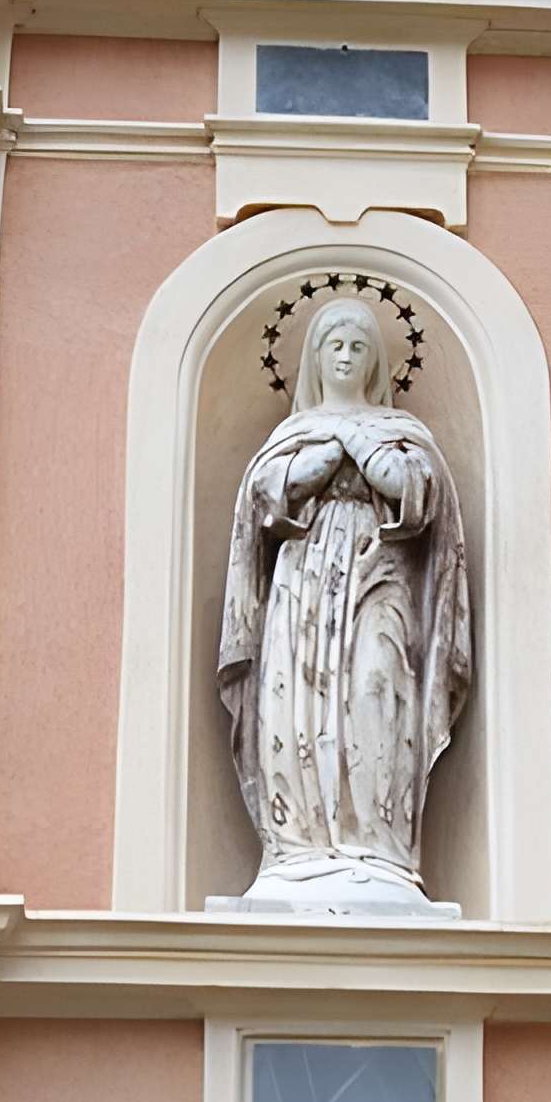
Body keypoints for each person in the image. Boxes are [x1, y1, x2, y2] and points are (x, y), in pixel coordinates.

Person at [219, 296, 472, 909]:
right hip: (300, 588)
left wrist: (362, 446)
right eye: (334, 345)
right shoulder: (292, 435)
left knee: (373, 692)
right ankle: (299, 845)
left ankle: (377, 844)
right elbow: (266, 499)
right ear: (314, 357)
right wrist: (331, 449)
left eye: (358, 347)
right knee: (295, 701)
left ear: (375, 361)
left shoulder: (402, 434)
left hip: (378, 582)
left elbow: (418, 493)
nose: (345, 356)